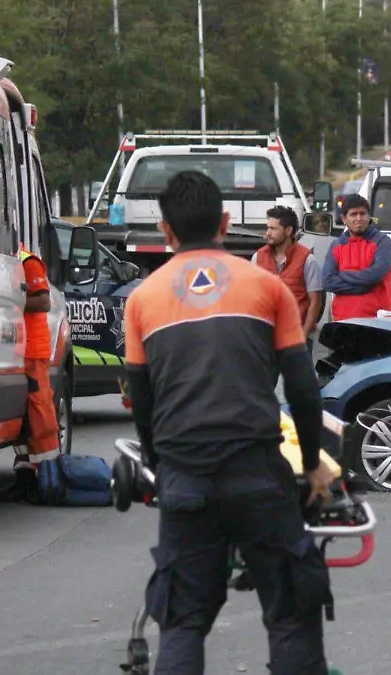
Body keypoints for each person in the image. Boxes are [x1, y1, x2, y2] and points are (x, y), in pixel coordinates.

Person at [122, 170, 336, 674]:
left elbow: (142, 400)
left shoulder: (142, 300)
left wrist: (159, 465)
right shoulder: (267, 288)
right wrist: (311, 465)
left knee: (183, 618)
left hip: (185, 477)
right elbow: (302, 389)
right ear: (223, 222)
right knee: (291, 608)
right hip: (258, 473)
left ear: (165, 231)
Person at [14, 242, 60, 478]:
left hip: (33, 349)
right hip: (19, 349)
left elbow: (43, 302)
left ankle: (49, 472)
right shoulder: (13, 262)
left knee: (39, 409)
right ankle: (26, 474)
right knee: (25, 415)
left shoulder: (28, 262)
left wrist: (9, 303)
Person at [252, 205, 323, 351]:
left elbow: (315, 303)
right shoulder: (258, 257)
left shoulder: (307, 260)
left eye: (273, 228)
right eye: (268, 228)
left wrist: (302, 337)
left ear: (288, 230)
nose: (268, 233)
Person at [321, 194, 391, 321]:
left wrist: (343, 275)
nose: (359, 218)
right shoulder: (336, 245)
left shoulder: (382, 241)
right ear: (344, 219)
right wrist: (363, 287)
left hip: (378, 321)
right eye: (353, 214)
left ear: (369, 216)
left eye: (363, 213)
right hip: (343, 320)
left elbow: (375, 275)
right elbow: (327, 282)